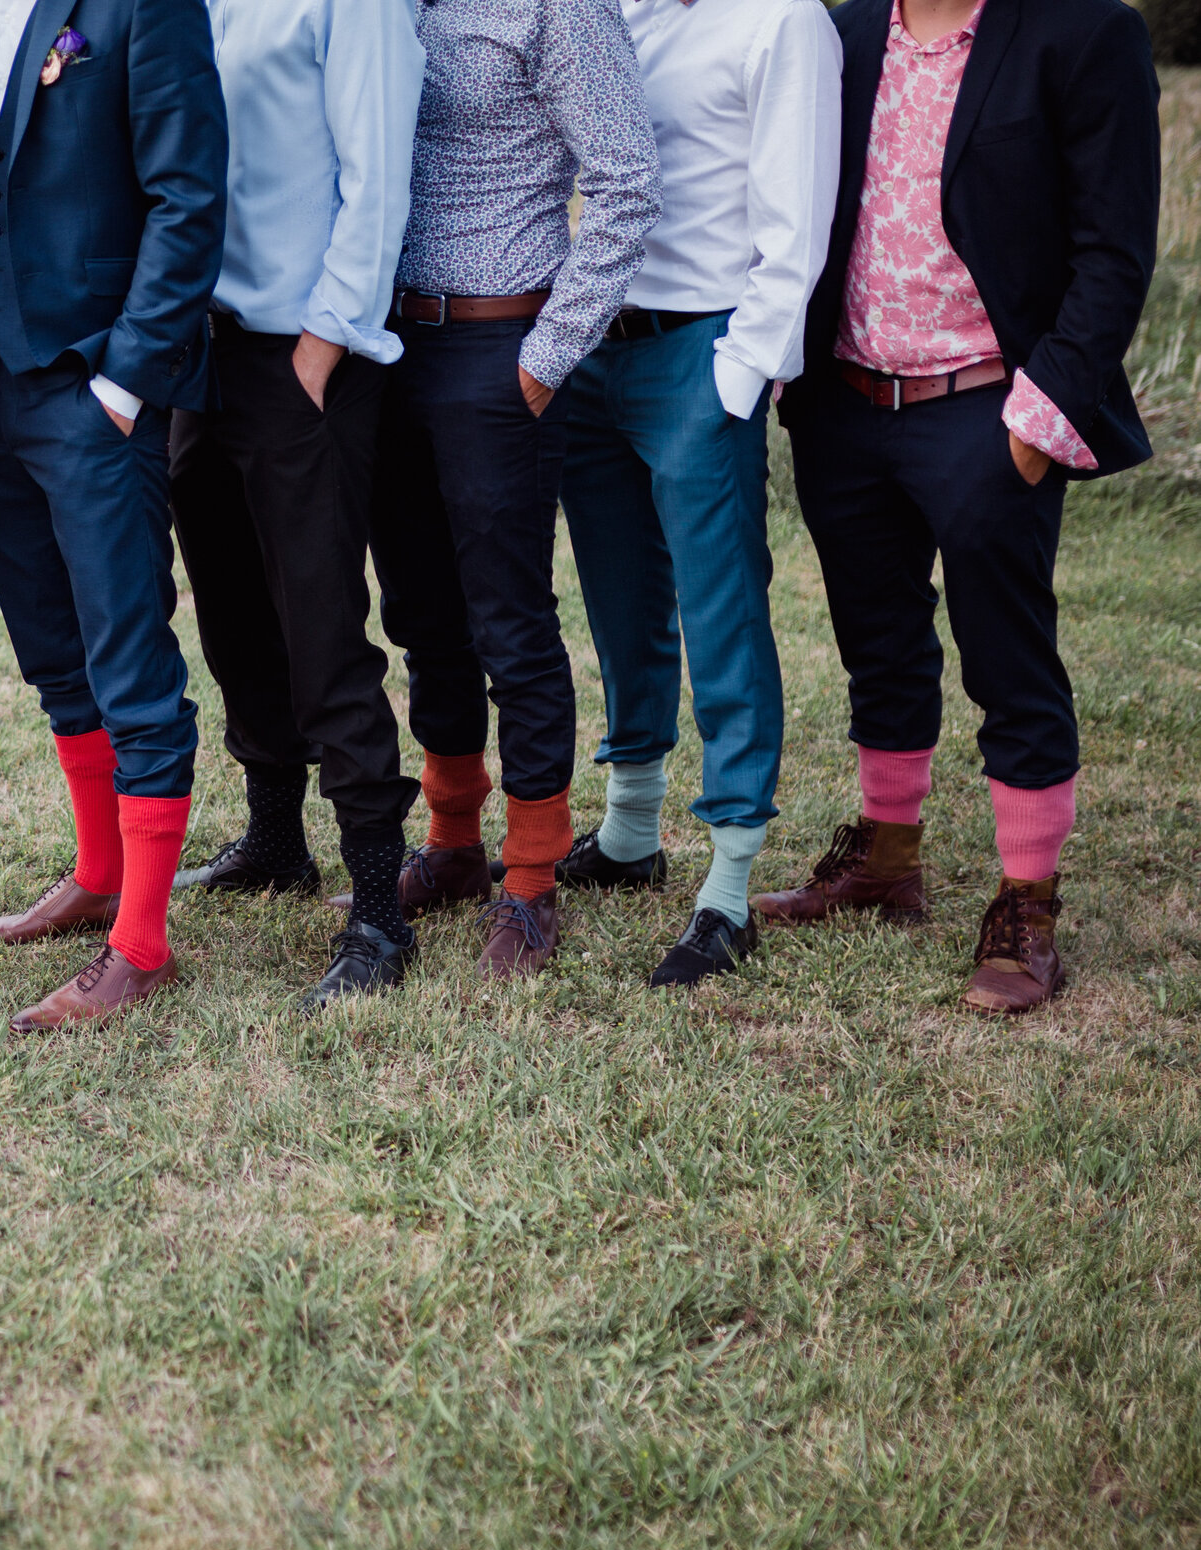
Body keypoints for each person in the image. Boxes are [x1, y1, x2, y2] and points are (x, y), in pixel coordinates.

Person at [759, 0, 1159, 1016]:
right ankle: (886, 858)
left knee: (1007, 659)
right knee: (877, 644)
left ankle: (1027, 903)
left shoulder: (1081, 32)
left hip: (988, 410)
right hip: (845, 403)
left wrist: (1039, 416)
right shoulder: (838, 36)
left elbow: (1113, 247)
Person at [0, 0, 228, 1034]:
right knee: (50, 645)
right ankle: (94, 870)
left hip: (92, 379)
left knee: (129, 657)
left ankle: (140, 941)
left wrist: (126, 380)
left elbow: (188, 196)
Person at [359, 0, 660, 979]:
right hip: (388, 343)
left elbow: (623, 177)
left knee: (508, 622)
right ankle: (450, 843)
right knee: (419, 614)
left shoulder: (556, 4)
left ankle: (529, 879)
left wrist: (546, 355)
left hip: (502, 344)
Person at [553, 0, 841, 988]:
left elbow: (796, 220)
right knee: (620, 601)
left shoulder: (780, 20)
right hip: (594, 342)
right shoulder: (608, 14)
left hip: (700, 351)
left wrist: (741, 368)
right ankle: (631, 832)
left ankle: (727, 886)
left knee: (720, 609)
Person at [166, 0, 425, 1010]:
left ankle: (377, 907)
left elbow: (378, 179)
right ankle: (275, 841)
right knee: (230, 608)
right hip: (202, 347)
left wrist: (323, 340)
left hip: (305, 351)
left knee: (320, 621)